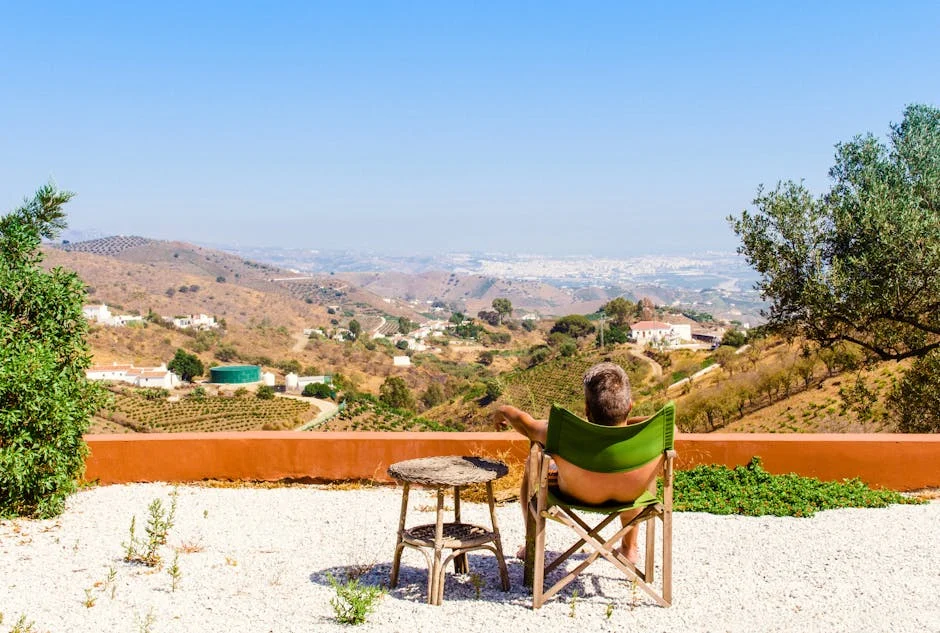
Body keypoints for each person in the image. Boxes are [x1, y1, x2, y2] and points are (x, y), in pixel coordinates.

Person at [491, 362, 659, 564]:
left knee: (532, 461)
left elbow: (524, 423)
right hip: (630, 494)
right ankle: (629, 548)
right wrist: (629, 425)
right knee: (632, 475)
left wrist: (502, 410)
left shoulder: (563, 433)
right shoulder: (655, 432)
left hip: (575, 492)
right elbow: (668, 427)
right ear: (630, 406)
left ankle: (532, 545)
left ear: (587, 409)